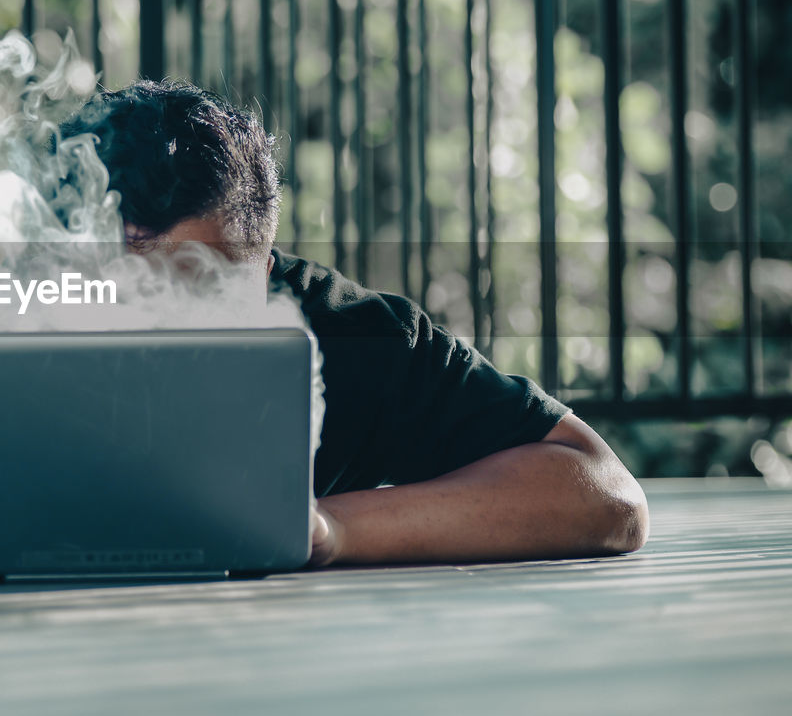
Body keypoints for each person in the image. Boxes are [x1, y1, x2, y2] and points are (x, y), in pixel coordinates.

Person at [57, 78, 649, 567]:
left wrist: (328, 528)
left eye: (197, 289)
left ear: (262, 276)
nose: (155, 326)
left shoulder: (347, 338)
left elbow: (606, 495)